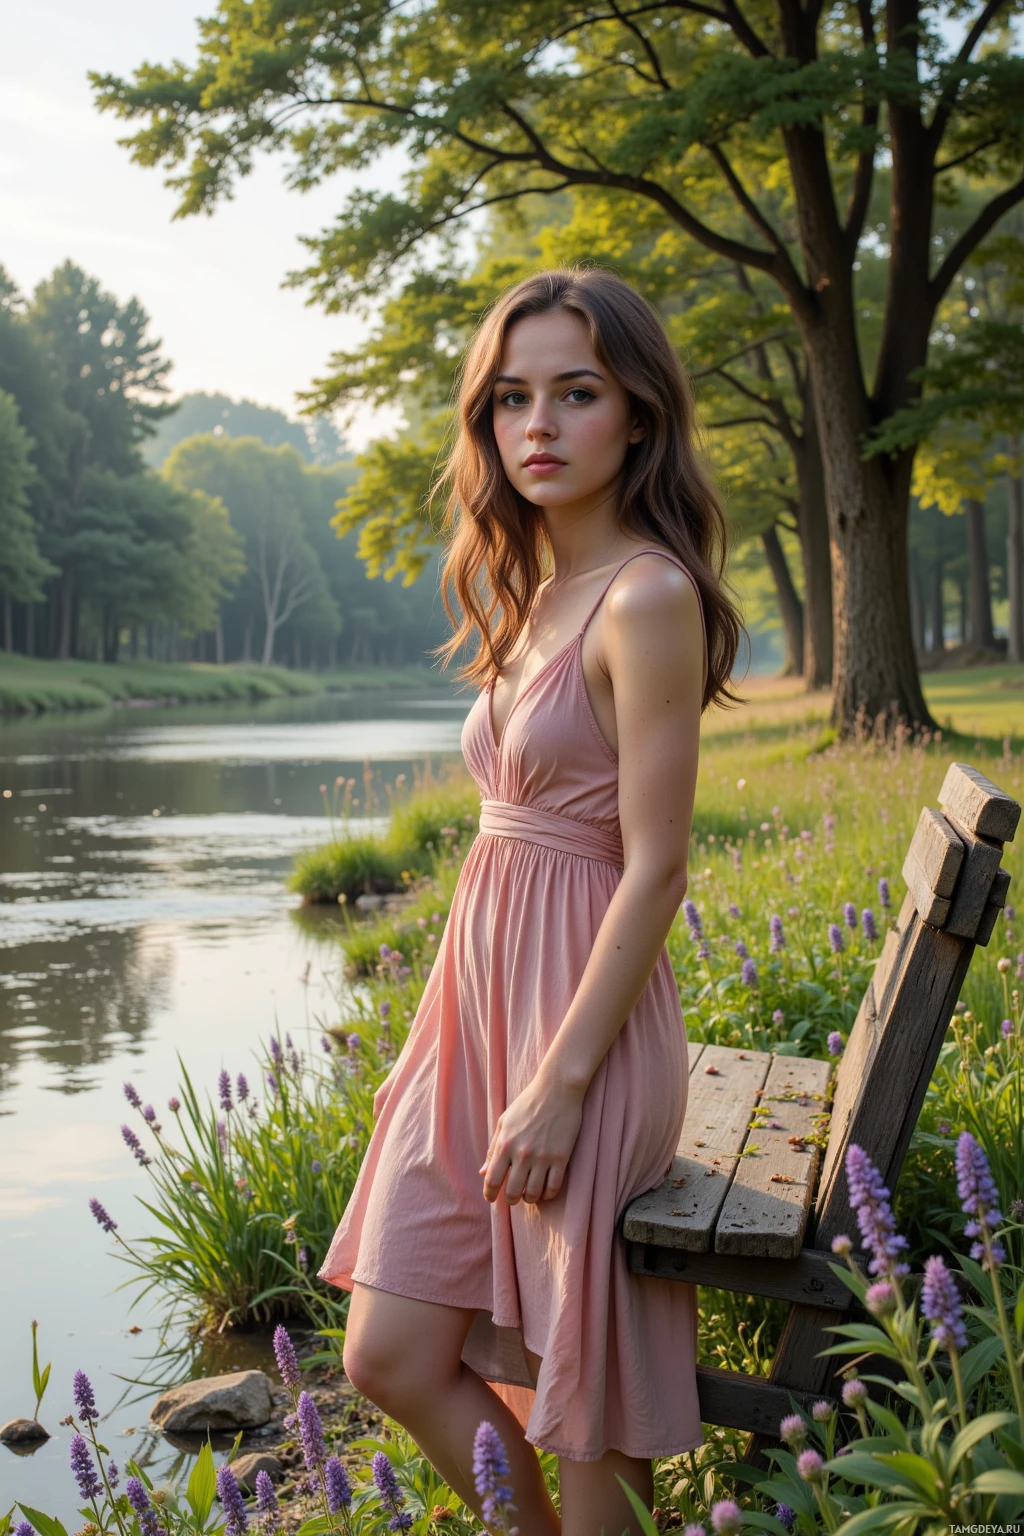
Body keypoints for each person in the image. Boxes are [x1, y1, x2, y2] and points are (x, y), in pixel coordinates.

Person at [317, 265, 743, 1535]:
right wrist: (442, 1044)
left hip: (585, 1044)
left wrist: (560, 1082)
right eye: (510, 398)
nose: (538, 426)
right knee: (385, 1353)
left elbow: (654, 864)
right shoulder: (528, 593)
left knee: (581, 1403)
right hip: (480, 1023)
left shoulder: (646, 596)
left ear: (638, 418)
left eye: (576, 393)